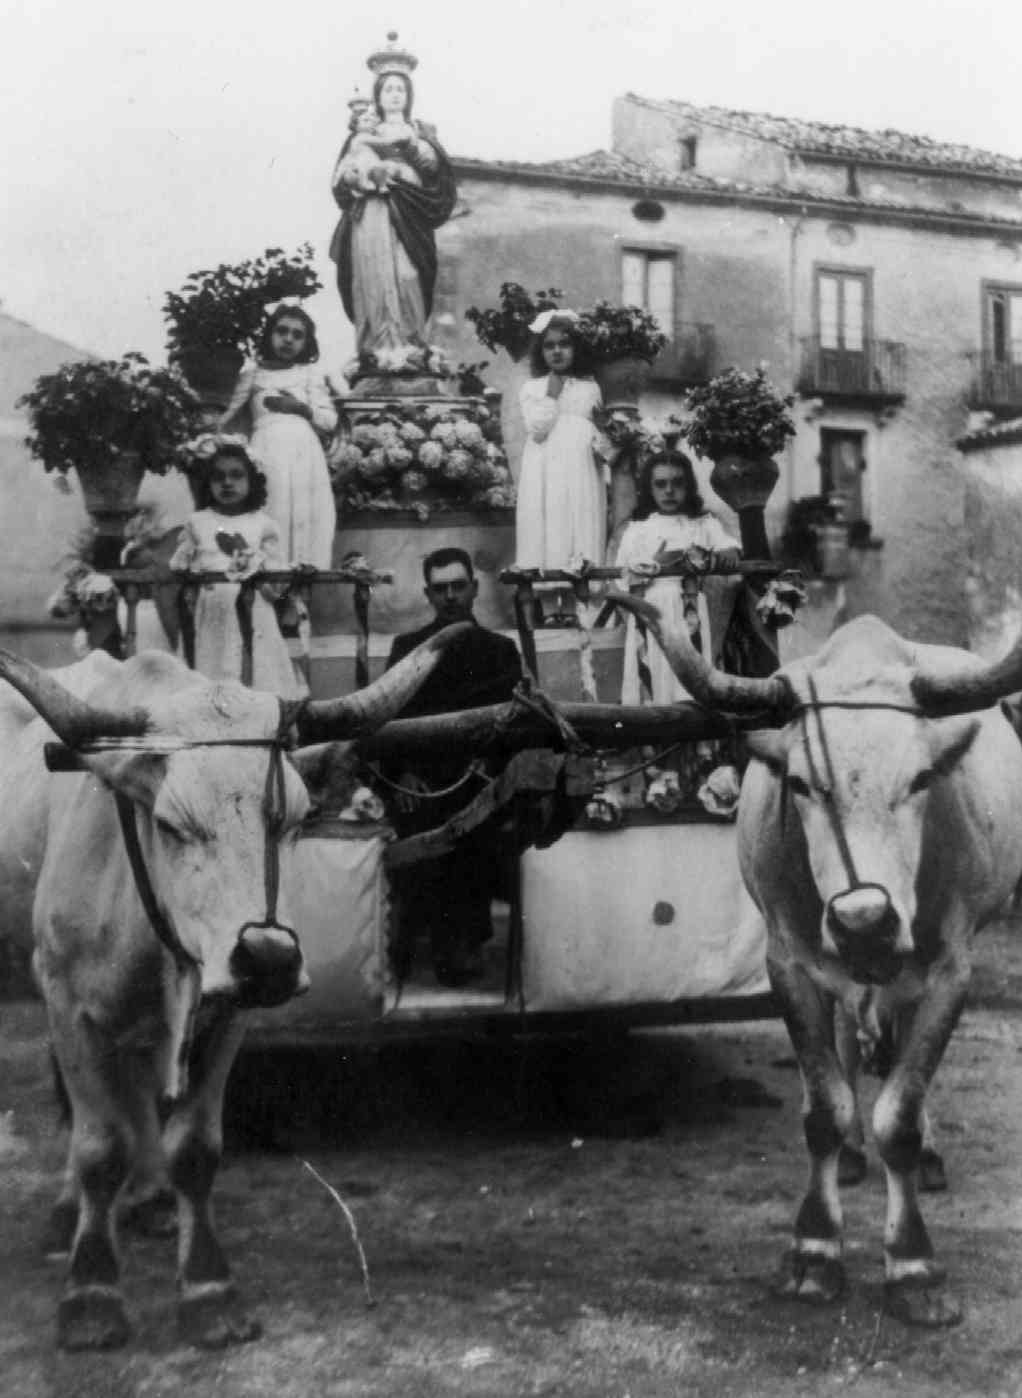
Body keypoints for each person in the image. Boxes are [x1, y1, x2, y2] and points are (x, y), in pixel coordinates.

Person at [384, 548, 523, 986]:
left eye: (457, 586)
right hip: (420, 782)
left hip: (479, 780)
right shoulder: (406, 649)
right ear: (428, 593)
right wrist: (401, 774)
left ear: (474, 589)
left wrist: (491, 770)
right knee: (418, 821)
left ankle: (462, 943)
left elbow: (515, 727)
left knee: (476, 826)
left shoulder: (500, 651)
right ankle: (413, 934)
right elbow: (384, 722)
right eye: (440, 588)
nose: (449, 596)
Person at [329, 55, 457, 362]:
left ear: (409, 94)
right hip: (372, 210)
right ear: (378, 95)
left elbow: (433, 166)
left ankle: (412, 341)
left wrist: (410, 145)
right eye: (388, 89)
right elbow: (342, 178)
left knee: (408, 273)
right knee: (373, 273)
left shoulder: (419, 130)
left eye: (401, 88)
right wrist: (353, 177)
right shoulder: (364, 131)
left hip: (410, 207)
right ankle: (378, 347)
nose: (395, 94)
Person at [169, 438, 303, 697]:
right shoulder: (198, 522)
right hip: (211, 617)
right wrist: (192, 570)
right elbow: (179, 567)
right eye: (218, 477)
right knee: (209, 676)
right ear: (208, 484)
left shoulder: (263, 524)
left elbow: (276, 589)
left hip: (256, 616)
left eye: (236, 476)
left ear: (252, 481)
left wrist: (257, 564)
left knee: (255, 678)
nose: (227, 483)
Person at [615, 449, 741, 704]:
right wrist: (654, 566)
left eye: (677, 483)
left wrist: (728, 550)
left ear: (689, 486)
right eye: (660, 484)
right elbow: (622, 577)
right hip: (651, 609)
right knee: (654, 674)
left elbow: (729, 549)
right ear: (649, 489)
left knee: (691, 678)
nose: (669, 491)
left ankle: (695, 739)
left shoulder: (702, 524)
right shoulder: (638, 529)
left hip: (689, 609)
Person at [219, 304, 337, 570]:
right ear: (270, 334)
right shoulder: (253, 374)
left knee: (305, 518)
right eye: (282, 331)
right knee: (273, 512)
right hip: (266, 455)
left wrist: (300, 408)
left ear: (306, 343)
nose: (288, 339)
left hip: (305, 456)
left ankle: (301, 585)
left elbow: (329, 421)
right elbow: (227, 417)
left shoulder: (309, 375)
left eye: (298, 335)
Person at [515, 310, 608, 575]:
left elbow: (599, 428)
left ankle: (582, 590)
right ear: (541, 351)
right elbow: (537, 429)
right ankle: (550, 591)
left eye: (564, 344)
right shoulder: (532, 388)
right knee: (551, 513)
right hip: (546, 462)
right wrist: (551, 396)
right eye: (549, 346)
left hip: (581, 464)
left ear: (576, 348)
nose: (557, 351)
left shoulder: (591, 387)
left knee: (580, 514)